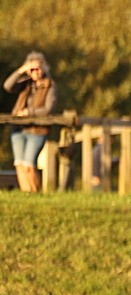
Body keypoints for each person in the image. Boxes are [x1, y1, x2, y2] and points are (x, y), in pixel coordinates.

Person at [4, 51, 57, 192]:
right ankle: (26, 193)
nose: (35, 72)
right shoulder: (25, 84)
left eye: (37, 68)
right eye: (32, 69)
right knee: (19, 164)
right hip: (18, 128)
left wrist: (29, 112)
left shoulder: (50, 85)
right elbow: (7, 86)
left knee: (29, 164)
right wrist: (21, 70)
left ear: (44, 68)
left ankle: (34, 192)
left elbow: (47, 109)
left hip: (37, 130)